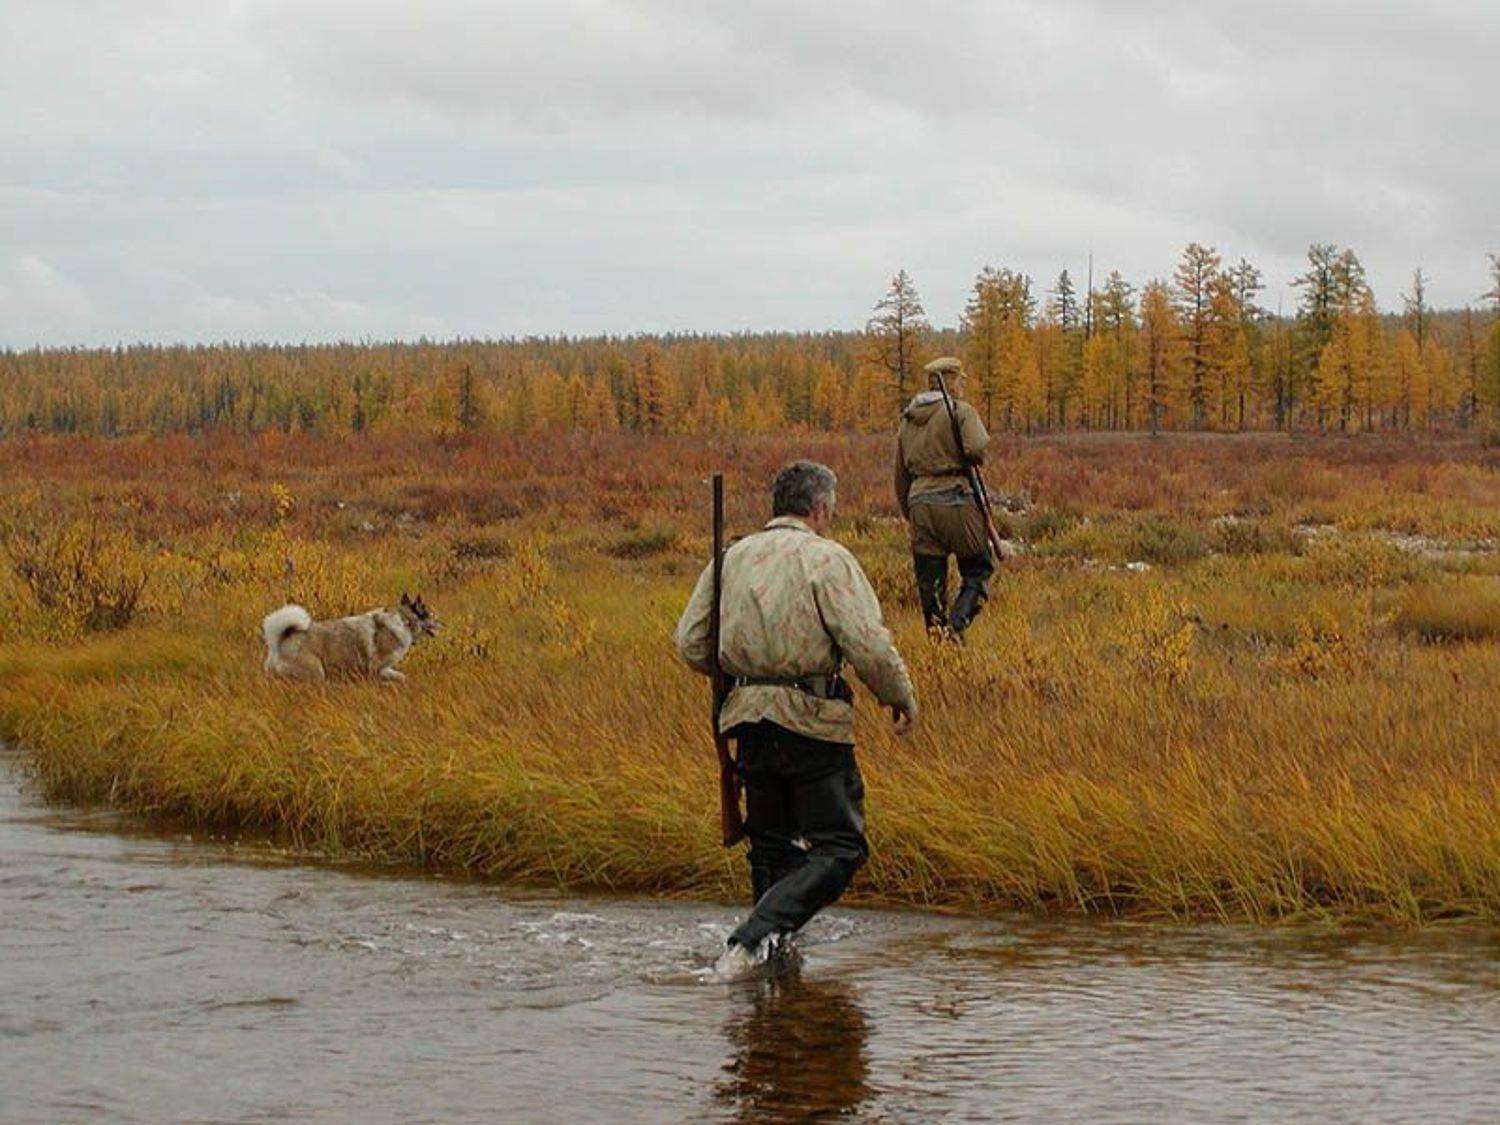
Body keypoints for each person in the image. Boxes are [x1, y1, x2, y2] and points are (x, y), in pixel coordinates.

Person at [675, 460, 918, 979]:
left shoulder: (731, 559)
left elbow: (691, 643)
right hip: (811, 722)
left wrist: (744, 673)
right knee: (841, 847)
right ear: (818, 508)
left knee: (772, 847)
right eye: (830, 512)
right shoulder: (827, 559)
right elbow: (868, 645)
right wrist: (898, 695)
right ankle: (751, 940)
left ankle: (770, 968)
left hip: (746, 721)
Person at [894, 356, 995, 637]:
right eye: (961, 377)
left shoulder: (908, 420)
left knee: (932, 587)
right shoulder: (961, 411)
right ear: (950, 380)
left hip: (920, 505)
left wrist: (912, 513)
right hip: (958, 502)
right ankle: (956, 627)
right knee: (978, 569)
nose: (964, 382)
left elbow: (900, 475)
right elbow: (977, 449)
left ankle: (938, 646)